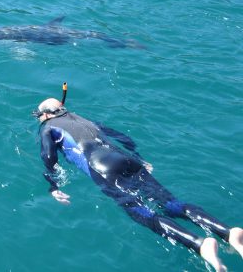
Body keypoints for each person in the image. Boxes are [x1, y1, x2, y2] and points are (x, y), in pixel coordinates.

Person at [35, 97, 243, 272]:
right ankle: (228, 232)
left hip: (102, 167)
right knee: (171, 203)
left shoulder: (48, 127)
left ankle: (199, 244)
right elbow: (122, 137)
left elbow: (48, 157)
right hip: (127, 160)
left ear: (46, 115)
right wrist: (139, 158)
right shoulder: (84, 119)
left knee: (139, 211)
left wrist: (53, 185)